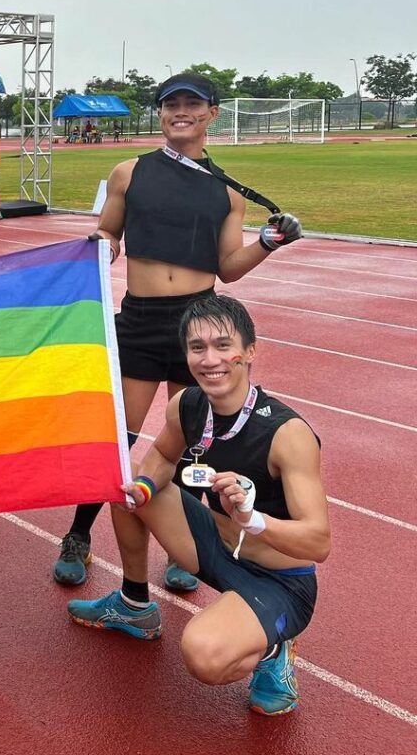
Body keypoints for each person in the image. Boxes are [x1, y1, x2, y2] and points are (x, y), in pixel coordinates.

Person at [53, 71, 303, 592]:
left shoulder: (228, 192)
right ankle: (78, 533)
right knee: (118, 438)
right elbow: (108, 232)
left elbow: (229, 267)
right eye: (171, 106)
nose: (180, 112)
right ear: (161, 114)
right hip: (139, 321)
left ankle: (185, 543)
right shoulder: (128, 172)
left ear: (212, 113)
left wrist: (269, 242)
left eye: (192, 104)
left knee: (195, 442)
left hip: (199, 325)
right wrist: (101, 245)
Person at [67, 295, 329, 716]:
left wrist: (253, 519)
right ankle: (134, 606)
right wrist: (146, 489)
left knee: (204, 655)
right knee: (125, 482)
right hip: (212, 544)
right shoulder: (187, 405)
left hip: (278, 580)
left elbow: (318, 542)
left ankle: (273, 651)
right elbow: (163, 459)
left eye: (223, 346)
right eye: (197, 348)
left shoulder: (286, 434)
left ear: (249, 352)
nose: (211, 360)